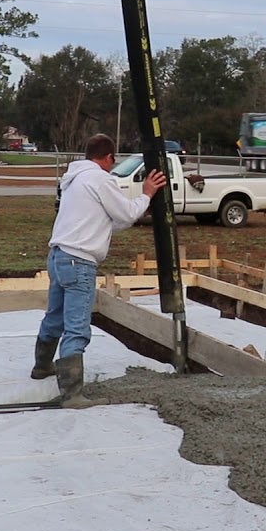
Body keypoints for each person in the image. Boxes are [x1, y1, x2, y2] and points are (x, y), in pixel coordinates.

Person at [31, 134, 167, 407]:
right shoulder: (101, 179)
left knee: (55, 316)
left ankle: (42, 366)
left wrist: (135, 209)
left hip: (58, 256)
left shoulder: (75, 179)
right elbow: (127, 214)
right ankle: (72, 394)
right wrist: (147, 194)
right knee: (77, 327)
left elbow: (106, 220)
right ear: (109, 158)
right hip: (79, 262)